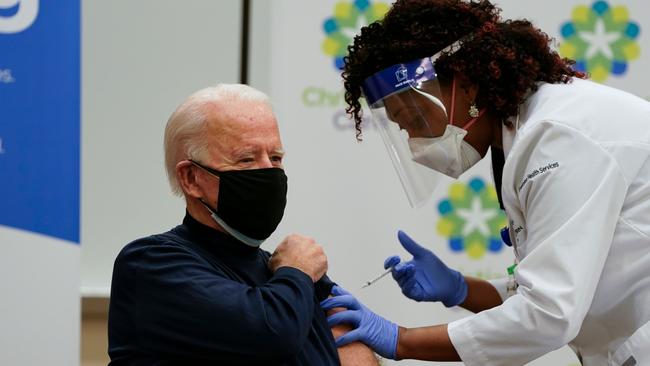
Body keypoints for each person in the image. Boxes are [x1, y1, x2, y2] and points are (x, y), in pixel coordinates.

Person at [320, 1, 650, 365]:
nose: (415, 141)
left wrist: (400, 340)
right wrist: (462, 289)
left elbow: (548, 315)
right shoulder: (524, 134)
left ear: (469, 86)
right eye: (402, 127)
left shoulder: (556, 137)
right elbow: (545, 291)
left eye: (414, 116)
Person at [108, 84, 378, 365]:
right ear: (191, 178)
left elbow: (353, 346)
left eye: (275, 158)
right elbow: (274, 333)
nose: (268, 172)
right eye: (246, 159)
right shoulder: (151, 264)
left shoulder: (283, 270)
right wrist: (297, 271)